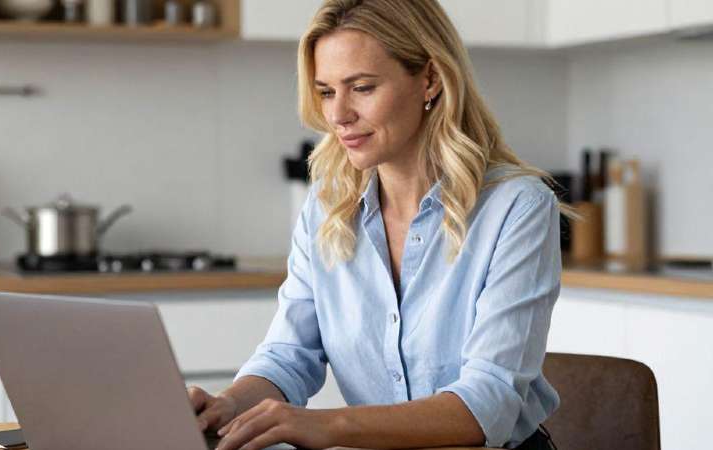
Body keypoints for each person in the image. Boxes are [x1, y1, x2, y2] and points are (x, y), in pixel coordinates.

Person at [189, 1, 563, 449]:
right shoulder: (327, 208)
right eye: (326, 92)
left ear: (430, 79)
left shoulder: (516, 208)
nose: (338, 115)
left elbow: (489, 403)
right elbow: (289, 356)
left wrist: (329, 426)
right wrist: (228, 405)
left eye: (361, 87)